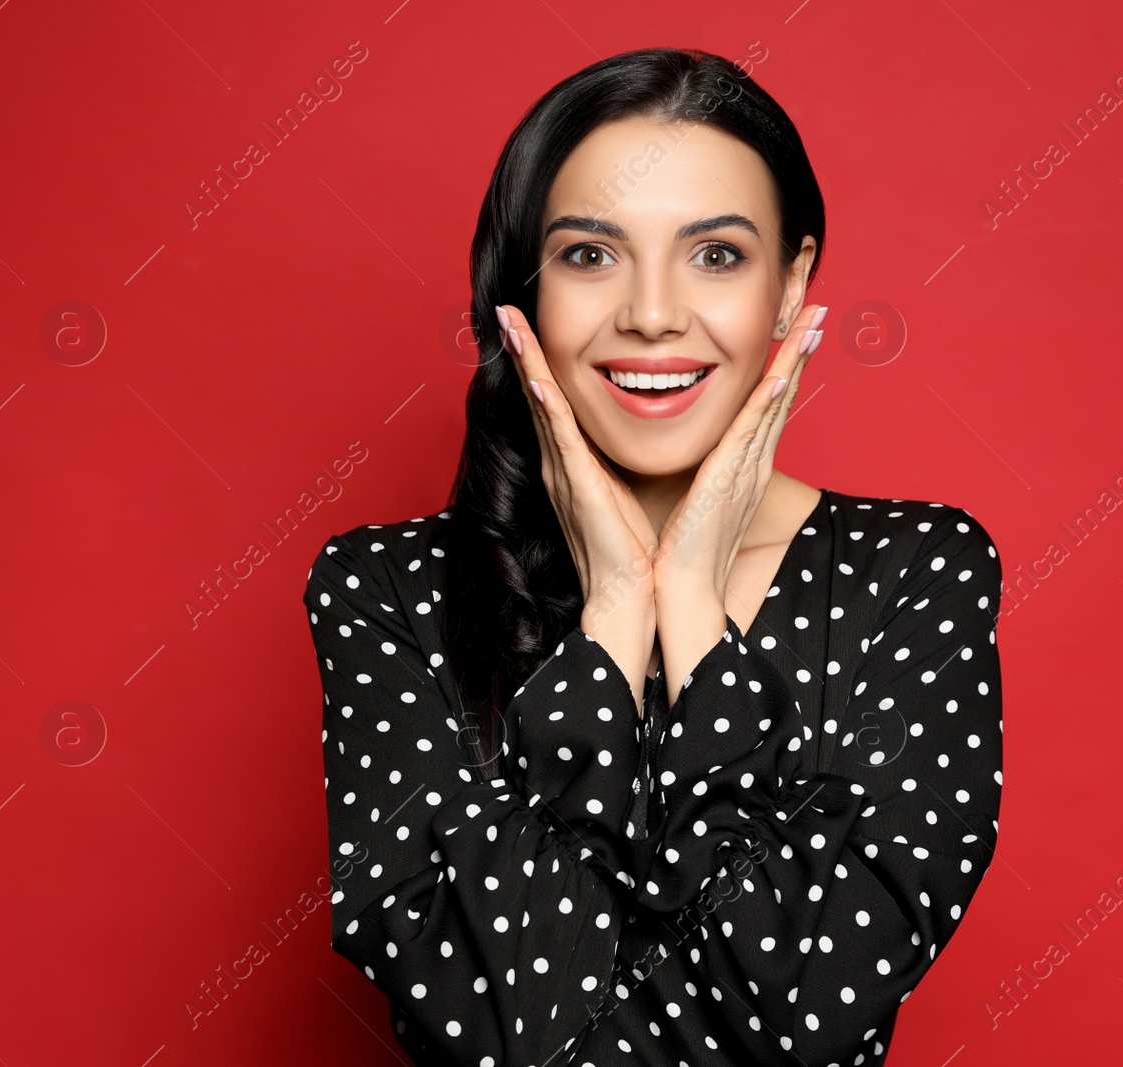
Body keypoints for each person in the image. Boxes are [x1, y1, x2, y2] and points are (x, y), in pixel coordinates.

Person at [302, 46, 1004, 1067]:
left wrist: (689, 600)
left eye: (715, 254)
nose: (652, 313)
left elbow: (803, 1010)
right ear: (522, 289)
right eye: (591, 254)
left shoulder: (912, 575)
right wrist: (620, 608)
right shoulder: (386, 593)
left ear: (790, 281)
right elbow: (504, 1029)